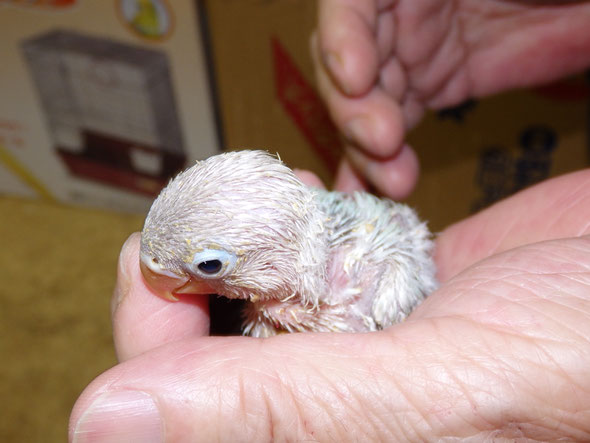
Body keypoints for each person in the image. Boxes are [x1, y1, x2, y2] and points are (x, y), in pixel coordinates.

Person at [69, 1, 590, 441]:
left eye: (209, 264)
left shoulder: (378, 283)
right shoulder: (262, 304)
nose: (171, 280)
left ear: (273, 260)